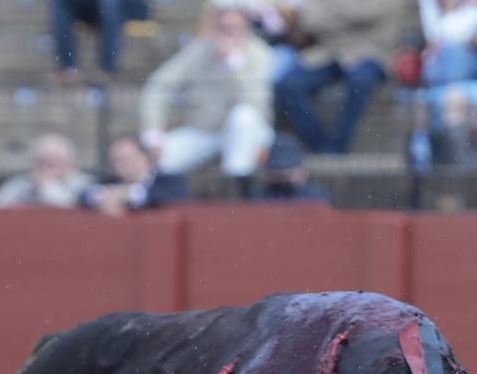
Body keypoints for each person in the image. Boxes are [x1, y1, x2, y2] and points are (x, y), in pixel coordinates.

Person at [139, 2, 274, 193]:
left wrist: (233, 64)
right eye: (223, 28)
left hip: (250, 132)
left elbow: (256, 105)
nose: (228, 34)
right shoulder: (198, 50)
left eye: (233, 28)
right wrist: (152, 133)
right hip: (205, 131)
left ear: (245, 25)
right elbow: (157, 86)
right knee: (163, 159)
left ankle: (235, 189)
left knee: (243, 117)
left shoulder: (260, 53)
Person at [273, 0, 407, 154]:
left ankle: (339, 145)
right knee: (287, 85)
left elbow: (366, 12)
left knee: (359, 81)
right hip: (328, 53)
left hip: (372, 52)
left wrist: (330, 10)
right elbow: (310, 21)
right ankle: (321, 146)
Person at [80, 134, 186, 215]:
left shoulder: (170, 181)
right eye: (117, 160)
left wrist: (126, 194)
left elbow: (167, 197)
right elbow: (84, 194)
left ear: (145, 157)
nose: (123, 164)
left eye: (128, 158)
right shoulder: (109, 181)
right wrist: (103, 196)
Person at [0, 133, 95, 208]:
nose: (47, 166)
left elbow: (67, 205)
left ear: (69, 163)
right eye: (42, 161)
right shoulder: (22, 183)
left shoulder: (83, 183)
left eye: (55, 161)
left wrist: (47, 185)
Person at [257, 133, 331, 201]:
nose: (282, 177)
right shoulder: (260, 197)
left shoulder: (315, 197)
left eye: (287, 172)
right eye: (277, 172)